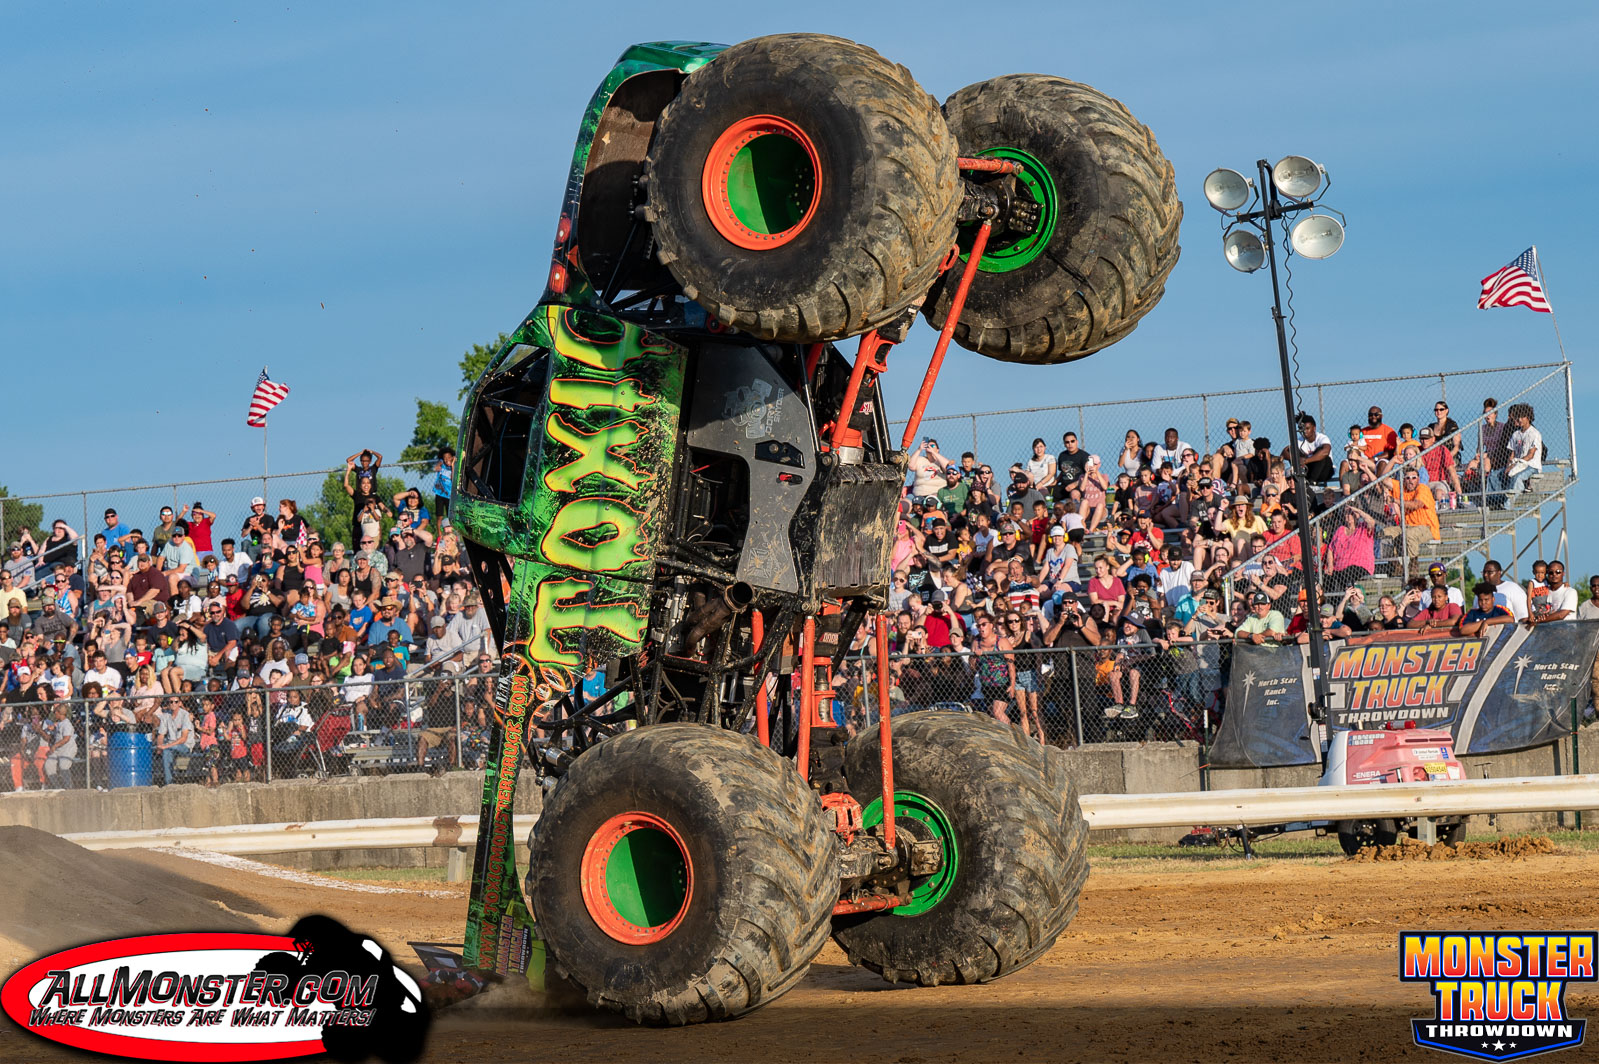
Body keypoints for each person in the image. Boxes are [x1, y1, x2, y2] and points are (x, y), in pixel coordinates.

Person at [153, 696, 195, 785]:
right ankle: (169, 783)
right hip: (171, 746)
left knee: (168, 749)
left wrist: (166, 746)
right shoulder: (166, 716)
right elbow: (161, 735)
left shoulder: (185, 715)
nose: (173, 704)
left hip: (185, 746)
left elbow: (183, 739)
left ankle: (170, 782)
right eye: (171, 702)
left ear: (180, 703)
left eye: (176, 701)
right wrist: (160, 747)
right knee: (166, 752)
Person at [1503, 403, 1543, 496]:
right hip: (1517, 464)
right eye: (1518, 417)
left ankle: (1508, 505)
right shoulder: (1516, 434)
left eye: (1522, 417)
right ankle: (1494, 499)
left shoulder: (1535, 433)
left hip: (1531, 466)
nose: (1519, 420)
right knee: (1495, 475)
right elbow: (1512, 454)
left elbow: (1530, 455)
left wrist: (1516, 464)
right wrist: (1509, 465)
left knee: (1517, 477)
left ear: (1528, 417)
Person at [1526, 561, 1576, 626]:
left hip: (1566, 632)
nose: (1554, 574)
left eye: (1558, 572)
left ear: (1563, 573)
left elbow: (1561, 615)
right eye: (1551, 572)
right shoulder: (1546, 590)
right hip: (1549, 632)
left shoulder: (1570, 592)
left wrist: (1539, 620)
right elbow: (1529, 599)